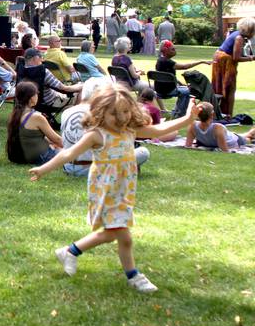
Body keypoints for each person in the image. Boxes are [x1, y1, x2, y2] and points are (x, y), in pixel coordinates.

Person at [29, 85, 200, 293]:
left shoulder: (130, 130)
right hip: (106, 191)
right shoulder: (97, 135)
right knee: (123, 236)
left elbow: (159, 129)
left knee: (111, 234)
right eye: (113, 114)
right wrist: (44, 169)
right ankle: (133, 276)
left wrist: (188, 119)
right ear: (100, 112)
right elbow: (68, 153)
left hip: (123, 191)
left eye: (126, 112)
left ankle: (70, 251)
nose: (120, 118)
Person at [60, 78, 150, 177]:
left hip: (68, 166)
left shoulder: (66, 112)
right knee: (143, 152)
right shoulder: (99, 113)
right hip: (92, 168)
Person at [6, 81, 63, 164]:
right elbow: (57, 139)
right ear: (31, 97)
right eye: (36, 93)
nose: (37, 96)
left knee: (55, 145)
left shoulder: (15, 114)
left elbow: (33, 136)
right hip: (39, 157)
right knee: (67, 152)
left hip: (18, 157)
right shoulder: (36, 117)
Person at [211, 17, 255, 117]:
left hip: (220, 59)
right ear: (250, 29)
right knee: (229, 87)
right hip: (225, 62)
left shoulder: (236, 34)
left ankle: (219, 113)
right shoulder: (239, 38)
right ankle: (227, 114)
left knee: (219, 87)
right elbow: (236, 58)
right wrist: (252, 58)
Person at [154, 40, 211, 117]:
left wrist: (180, 83)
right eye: (172, 49)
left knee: (184, 88)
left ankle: (177, 111)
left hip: (159, 89)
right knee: (187, 91)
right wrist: (201, 61)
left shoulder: (160, 60)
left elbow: (169, 77)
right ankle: (180, 114)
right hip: (167, 91)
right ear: (166, 50)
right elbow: (185, 66)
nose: (175, 51)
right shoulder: (168, 62)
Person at [185, 101, 255, 152]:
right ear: (212, 114)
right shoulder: (216, 128)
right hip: (229, 137)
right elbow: (225, 150)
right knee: (246, 136)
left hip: (236, 140)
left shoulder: (193, 126)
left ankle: (251, 133)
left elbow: (188, 145)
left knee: (248, 138)